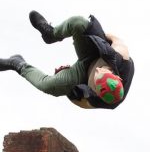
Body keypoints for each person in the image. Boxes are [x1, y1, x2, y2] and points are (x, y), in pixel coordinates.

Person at [0, 11, 134, 109]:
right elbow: (114, 39)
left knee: (49, 86)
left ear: (97, 92)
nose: (98, 69)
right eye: (103, 70)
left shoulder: (101, 100)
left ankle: (17, 64)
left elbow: (82, 103)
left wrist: (69, 89)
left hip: (82, 75)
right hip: (96, 49)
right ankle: (51, 34)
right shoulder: (121, 57)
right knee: (79, 23)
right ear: (117, 77)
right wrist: (96, 35)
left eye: (96, 78)